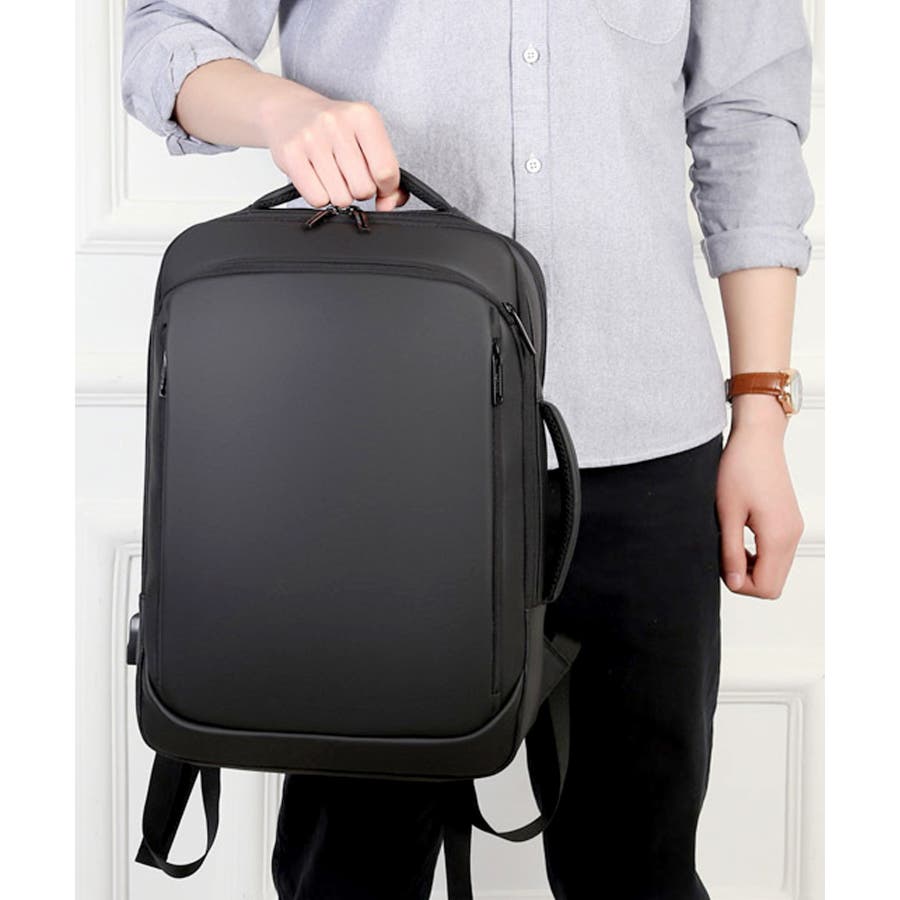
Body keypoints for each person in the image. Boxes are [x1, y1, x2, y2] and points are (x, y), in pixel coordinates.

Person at [121, 2, 814, 897]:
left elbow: (747, 116)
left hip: (643, 445)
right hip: (373, 454)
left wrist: (761, 413)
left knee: (639, 866)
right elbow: (164, 37)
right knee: (353, 870)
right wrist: (278, 107)